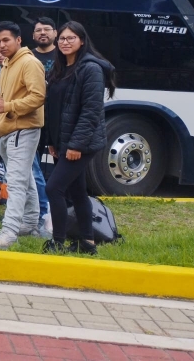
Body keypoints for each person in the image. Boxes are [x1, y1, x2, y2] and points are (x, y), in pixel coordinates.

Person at [43, 22, 116, 255]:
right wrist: (52, 141)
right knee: (77, 192)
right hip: (63, 141)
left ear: (82, 41)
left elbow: (91, 111)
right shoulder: (60, 69)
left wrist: (75, 145)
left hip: (80, 143)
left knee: (53, 188)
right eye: (62, 38)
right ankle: (87, 242)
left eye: (71, 38)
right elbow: (53, 109)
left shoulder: (90, 69)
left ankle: (58, 241)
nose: (65, 42)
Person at [0, 21, 46, 250]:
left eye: (6, 40)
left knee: (15, 183)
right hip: (8, 130)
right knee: (26, 180)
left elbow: (38, 97)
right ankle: (30, 223)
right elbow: (5, 100)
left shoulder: (29, 63)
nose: (1, 45)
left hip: (22, 130)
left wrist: (7, 107)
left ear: (19, 40)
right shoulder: (6, 64)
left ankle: (9, 232)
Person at [31, 17, 58, 238]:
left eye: (46, 29)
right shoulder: (27, 57)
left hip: (57, 120)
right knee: (33, 167)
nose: (42, 33)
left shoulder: (63, 55)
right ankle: (39, 210)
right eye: (38, 30)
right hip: (33, 119)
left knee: (59, 166)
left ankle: (58, 210)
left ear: (55, 33)